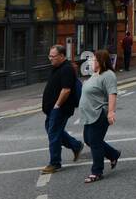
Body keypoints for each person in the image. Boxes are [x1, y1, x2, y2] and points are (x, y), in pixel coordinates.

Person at [39, 44, 83, 175]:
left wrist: (57, 106)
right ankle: (76, 145)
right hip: (53, 109)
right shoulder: (57, 67)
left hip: (61, 108)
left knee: (53, 133)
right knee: (52, 130)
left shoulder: (67, 69)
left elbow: (66, 90)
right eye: (50, 56)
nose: (50, 59)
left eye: (53, 56)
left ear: (62, 56)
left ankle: (55, 163)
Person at [77, 49, 119, 182]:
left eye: (94, 59)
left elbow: (112, 93)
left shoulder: (108, 75)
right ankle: (113, 154)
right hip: (89, 114)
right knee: (89, 140)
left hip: (99, 113)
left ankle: (97, 171)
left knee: (95, 142)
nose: (92, 61)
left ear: (100, 61)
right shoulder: (95, 74)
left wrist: (111, 112)